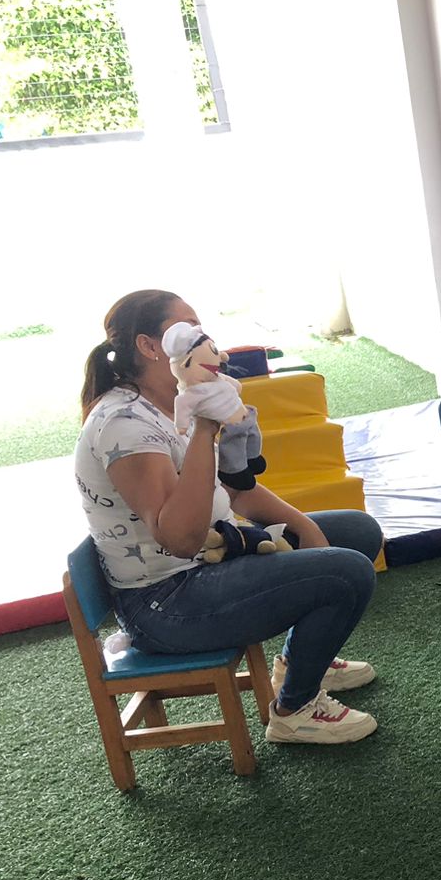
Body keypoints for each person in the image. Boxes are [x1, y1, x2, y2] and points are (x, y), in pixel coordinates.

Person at [75, 289, 380, 744]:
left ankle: (302, 663)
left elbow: (237, 489)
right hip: (166, 602)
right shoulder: (124, 423)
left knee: (356, 532)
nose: (203, 337)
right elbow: (179, 538)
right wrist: (205, 428)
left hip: (214, 554)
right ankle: (295, 711)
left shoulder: (176, 399)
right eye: (187, 327)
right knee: (345, 572)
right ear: (149, 346)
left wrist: (307, 528)